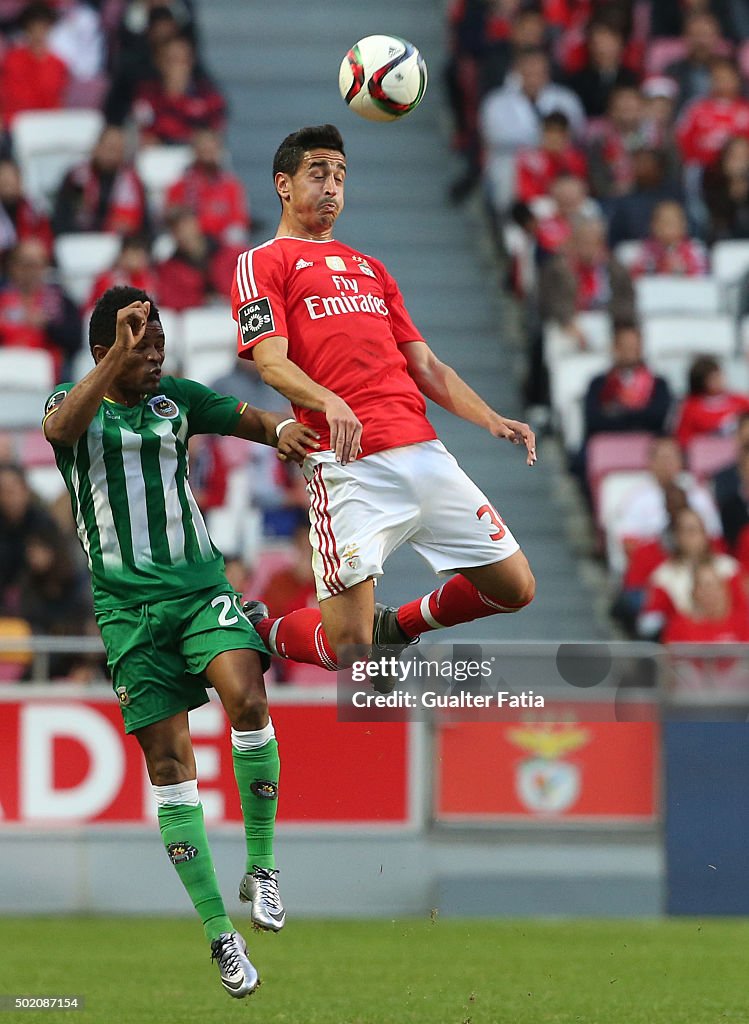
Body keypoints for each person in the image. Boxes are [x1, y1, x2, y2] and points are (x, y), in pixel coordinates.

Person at [43, 285, 319, 999]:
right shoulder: (69, 405)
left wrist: (281, 433)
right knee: (170, 765)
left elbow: (246, 417)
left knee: (248, 699)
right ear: (105, 350)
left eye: (160, 339)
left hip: (200, 593)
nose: (155, 351)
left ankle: (262, 868)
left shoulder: (178, 402)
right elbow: (62, 431)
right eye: (139, 340)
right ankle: (219, 935)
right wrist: (114, 360)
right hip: (128, 616)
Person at [230, 124, 536, 679]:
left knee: (515, 587)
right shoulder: (264, 261)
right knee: (351, 651)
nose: (332, 187)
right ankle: (258, 628)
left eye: (340, 176)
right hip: (349, 464)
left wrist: (489, 417)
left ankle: (399, 627)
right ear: (283, 184)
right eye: (318, 173)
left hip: (422, 450)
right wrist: (330, 402)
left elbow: (426, 366)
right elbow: (271, 362)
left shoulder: (372, 268)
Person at [51, 126, 148, 237]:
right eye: (109, 148)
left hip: (121, 243)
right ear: (96, 148)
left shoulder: (133, 182)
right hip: (81, 241)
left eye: (118, 149)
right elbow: (63, 218)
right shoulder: (77, 179)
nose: (112, 154)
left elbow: (145, 225)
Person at [674, 355, 749, 450]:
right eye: (712, 378)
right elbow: (683, 438)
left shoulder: (740, 401)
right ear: (701, 381)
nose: (719, 380)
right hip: (705, 456)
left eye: (719, 375)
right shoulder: (690, 407)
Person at [631, 199, 708, 276]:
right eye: (663, 222)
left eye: (672, 223)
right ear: (653, 226)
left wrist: (684, 269)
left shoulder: (694, 249)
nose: (667, 228)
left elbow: (701, 276)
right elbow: (636, 276)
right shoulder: (646, 250)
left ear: (683, 226)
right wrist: (659, 265)